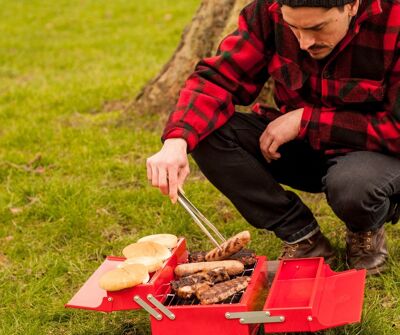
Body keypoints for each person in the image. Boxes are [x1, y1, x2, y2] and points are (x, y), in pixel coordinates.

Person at [146, 0, 400, 275]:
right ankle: (303, 238)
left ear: (352, 5)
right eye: (294, 28)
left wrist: (306, 120)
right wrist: (177, 140)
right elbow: (218, 79)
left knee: (354, 186)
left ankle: (365, 232)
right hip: (304, 150)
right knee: (206, 132)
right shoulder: (267, 12)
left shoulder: (394, 20)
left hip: (375, 155)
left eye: (317, 27)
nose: (304, 43)